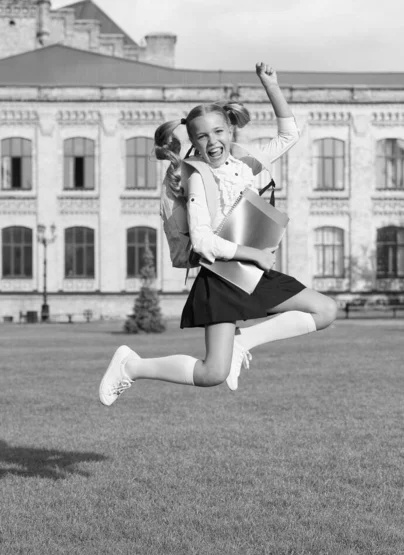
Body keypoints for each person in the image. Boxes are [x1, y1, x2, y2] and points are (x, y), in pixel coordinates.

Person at [99, 62, 337, 406]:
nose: (212, 141)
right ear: (193, 141)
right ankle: (130, 367)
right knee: (213, 373)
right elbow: (203, 242)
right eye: (202, 136)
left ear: (230, 129)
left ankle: (244, 342)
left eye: (218, 132)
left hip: (251, 273)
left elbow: (289, 135)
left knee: (325, 310)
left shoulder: (246, 164)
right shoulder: (196, 177)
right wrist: (253, 254)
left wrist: (270, 85)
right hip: (222, 278)